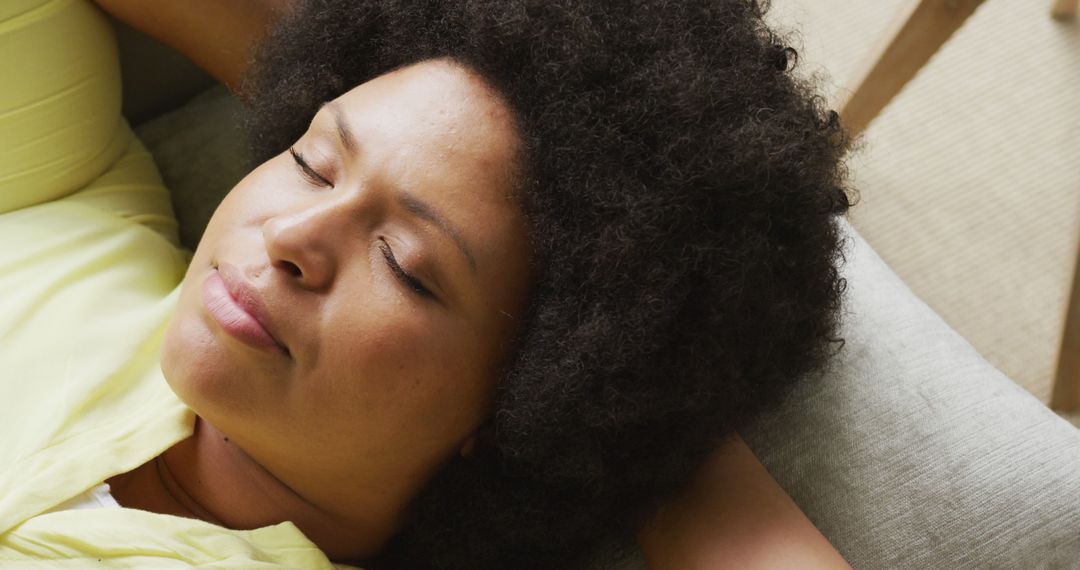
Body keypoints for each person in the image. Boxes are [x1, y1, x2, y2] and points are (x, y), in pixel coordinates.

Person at [0, 0, 855, 568]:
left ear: (530, 398)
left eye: (405, 263)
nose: (292, 238)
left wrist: (647, 435)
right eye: (311, 159)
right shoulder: (62, 198)